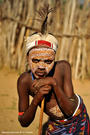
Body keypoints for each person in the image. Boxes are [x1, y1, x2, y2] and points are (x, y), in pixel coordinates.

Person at [17, 32, 90, 135]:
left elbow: (70, 111)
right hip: (56, 124)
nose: (41, 67)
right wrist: (36, 99)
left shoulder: (63, 68)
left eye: (48, 61)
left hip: (77, 117)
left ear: (54, 58)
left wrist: (53, 83)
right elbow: (24, 122)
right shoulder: (24, 81)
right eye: (36, 60)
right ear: (27, 57)